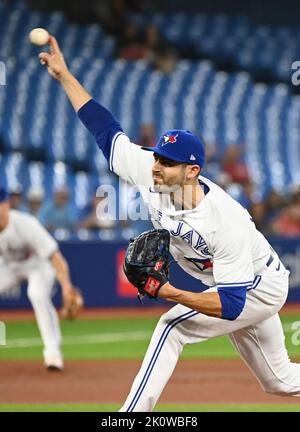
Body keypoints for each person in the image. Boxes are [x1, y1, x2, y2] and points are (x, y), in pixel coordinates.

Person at [39, 36, 300, 410]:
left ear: (192, 171)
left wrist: (168, 293)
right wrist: (64, 76)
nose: (157, 165)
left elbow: (230, 304)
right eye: (158, 156)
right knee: (279, 381)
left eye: (168, 161)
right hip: (228, 283)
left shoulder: (226, 221)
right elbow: (103, 128)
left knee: (171, 326)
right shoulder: (150, 171)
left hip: (258, 286)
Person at [0, 185, 78, 371]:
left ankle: (53, 353)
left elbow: (55, 257)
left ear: (6, 204)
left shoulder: (25, 223)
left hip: (38, 265)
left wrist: (67, 287)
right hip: (9, 266)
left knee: (36, 293)